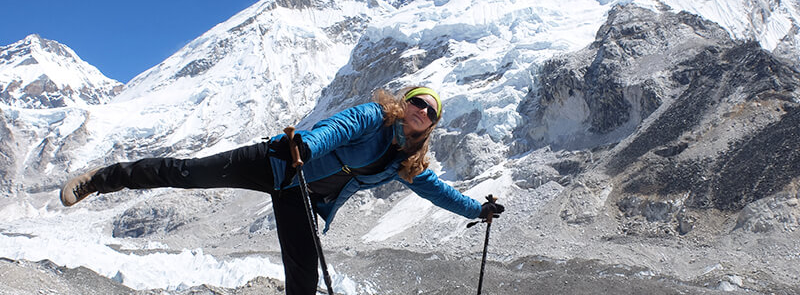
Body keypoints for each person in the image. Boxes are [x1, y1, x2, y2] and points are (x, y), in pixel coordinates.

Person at [60, 86, 505, 295]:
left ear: (431, 125)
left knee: (304, 272)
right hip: (277, 162)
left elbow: (438, 192)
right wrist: (305, 146)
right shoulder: (375, 116)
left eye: (429, 111)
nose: (421, 111)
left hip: (303, 195)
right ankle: (100, 180)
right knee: (187, 173)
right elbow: (336, 129)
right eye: (417, 101)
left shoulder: (407, 163)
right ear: (403, 103)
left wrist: (477, 210)